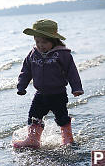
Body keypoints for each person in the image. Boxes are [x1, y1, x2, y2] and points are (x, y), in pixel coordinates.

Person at [12, 19, 84, 149]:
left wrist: (77, 88)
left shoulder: (63, 54)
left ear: (53, 41)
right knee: (34, 116)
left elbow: (72, 72)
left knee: (62, 117)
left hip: (58, 94)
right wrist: (21, 86)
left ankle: (68, 139)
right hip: (40, 94)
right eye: (37, 41)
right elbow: (26, 71)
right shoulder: (33, 54)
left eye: (44, 42)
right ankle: (33, 139)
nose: (40, 45)